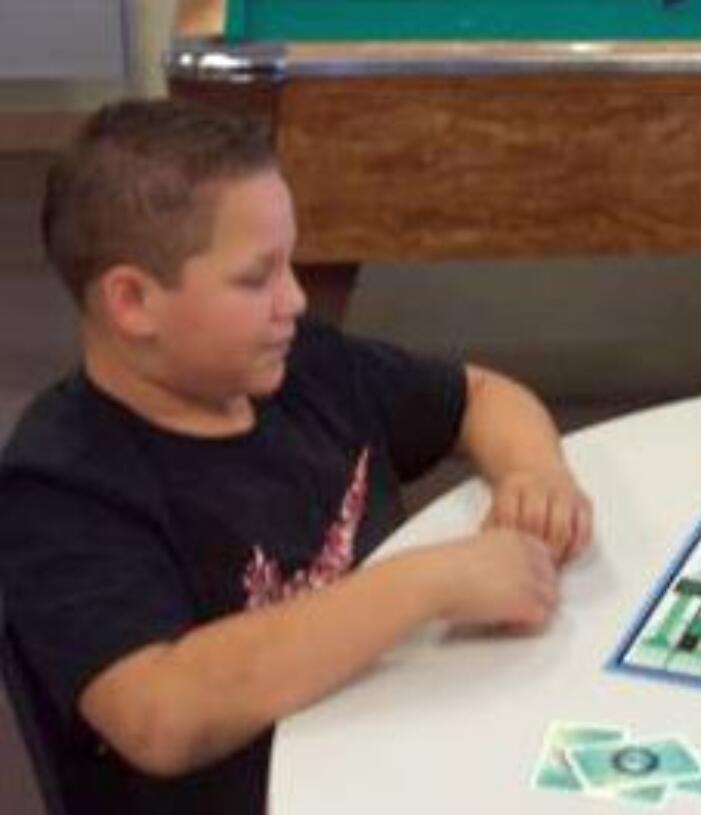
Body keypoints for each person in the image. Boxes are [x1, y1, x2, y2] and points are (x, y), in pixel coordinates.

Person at [0, 98, 593, 814]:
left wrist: (537, 472)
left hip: (407, 745)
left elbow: (480, 395)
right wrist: (422, 584)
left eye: (292, 263)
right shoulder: (59, 484)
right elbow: (160, 714)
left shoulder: (303, 364)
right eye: (258, 278)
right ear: (133, 302)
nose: (296, 298)